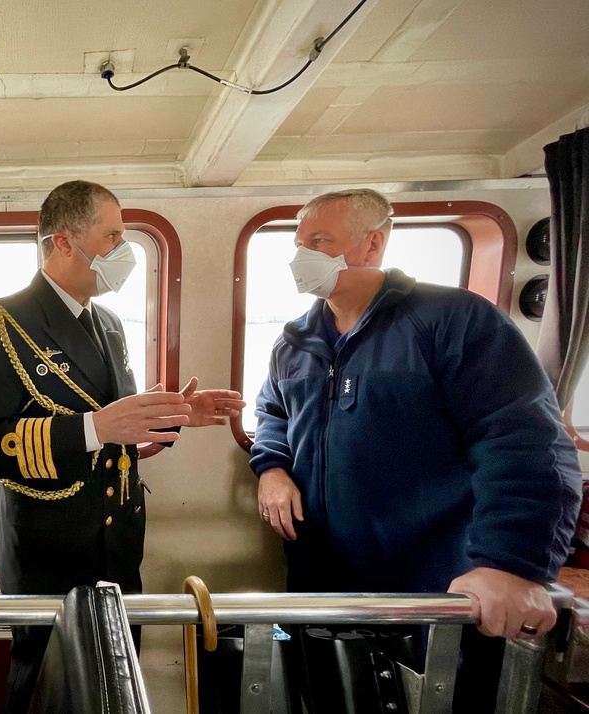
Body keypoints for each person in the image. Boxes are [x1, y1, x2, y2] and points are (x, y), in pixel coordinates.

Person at [250, 188, 582, 710]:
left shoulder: (453, 320)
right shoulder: (294, 341)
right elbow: (272, 412)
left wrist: (510, 564)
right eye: (298, 244)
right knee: (329, 695)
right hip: (324, 574)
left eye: (318, 241)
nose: (301, 257)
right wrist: (271, 468)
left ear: (371, 244)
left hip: (434, 577)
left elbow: (523, 440)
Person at [0, 180, 244, 712]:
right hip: (49, 546)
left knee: (115, 682)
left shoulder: (109, 324)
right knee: (48, 685)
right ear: (64, 242)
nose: (123, 250)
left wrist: (178, 415)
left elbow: (119, 433)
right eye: (112, 236)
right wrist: (93, 428)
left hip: (117, 540)